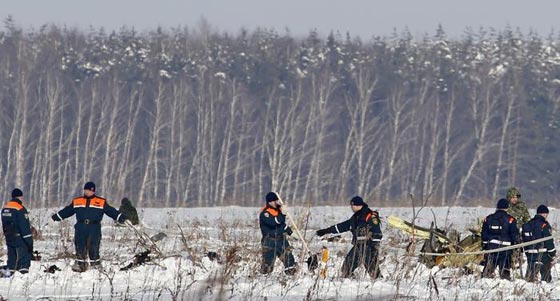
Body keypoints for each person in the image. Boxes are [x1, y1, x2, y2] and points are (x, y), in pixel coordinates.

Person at [51, 182, 127, 272]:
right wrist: (55, 217)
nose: (88, 192)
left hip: (94, 227)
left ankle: (95, 266)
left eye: (90, 190)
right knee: (80, 245)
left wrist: (122, 218)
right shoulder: (77, 201)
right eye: (86, 190)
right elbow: (67, 211)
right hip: (81, 226)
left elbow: (111, 211)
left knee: (94, 246)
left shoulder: (101, 202)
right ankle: (80, 265)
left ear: (93, 191)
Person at [316, 196, 382, 278]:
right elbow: (343, 226)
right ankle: (350, 281)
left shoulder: (370, 216)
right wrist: (327, 230)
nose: (351, 207)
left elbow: (378, 233)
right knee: (346, 268)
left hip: (368, 247)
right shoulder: (356, 217)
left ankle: (380, 282)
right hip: (358, 246)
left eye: (352, 205)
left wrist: (373, 247)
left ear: (357, 205)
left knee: (373, 269)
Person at [259, 191, 296, 275]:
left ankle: (290, 276)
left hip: (281, 239)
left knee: (288, 257)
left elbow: (281, 225)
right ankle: (264, 280)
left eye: (276, 200)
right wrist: (282, 214)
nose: (276, 202)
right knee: (268, 263)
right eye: (274, 201)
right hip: (269, 241)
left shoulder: (279, 209)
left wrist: (290, 232)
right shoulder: (265, 213)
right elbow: (274, 222)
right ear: (269, 202)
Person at [481, 198, 519, 280]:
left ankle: (485, 281)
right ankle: (505, 282)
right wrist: (515, 246)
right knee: (505, 271)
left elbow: (484, 234)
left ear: (497, 207)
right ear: (507, 208)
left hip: (492, 248)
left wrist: (485, 245)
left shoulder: (488, 218)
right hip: (506, 248)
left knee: (488, 271)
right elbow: (514, 235)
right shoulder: (511, 219)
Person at [1, 189, 33, 277]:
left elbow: (4, 224)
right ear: (20, 197)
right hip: (19, 237)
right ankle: (23, 274)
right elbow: (24, 227)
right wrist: (29, 241)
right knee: (23, 256)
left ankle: (10, 272)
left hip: (9, 236)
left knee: (12, 256)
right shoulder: (20, 208)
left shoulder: (5, 208)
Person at [521, 205, 556, 282]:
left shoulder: (527, 225)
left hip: (531, 254)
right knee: (546, 278)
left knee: (530, 278)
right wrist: (552, 253)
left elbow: (524, 240)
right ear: (544, 214)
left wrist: (527, 252)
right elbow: (549, 241)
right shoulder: (544, 225)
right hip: (543, 255)